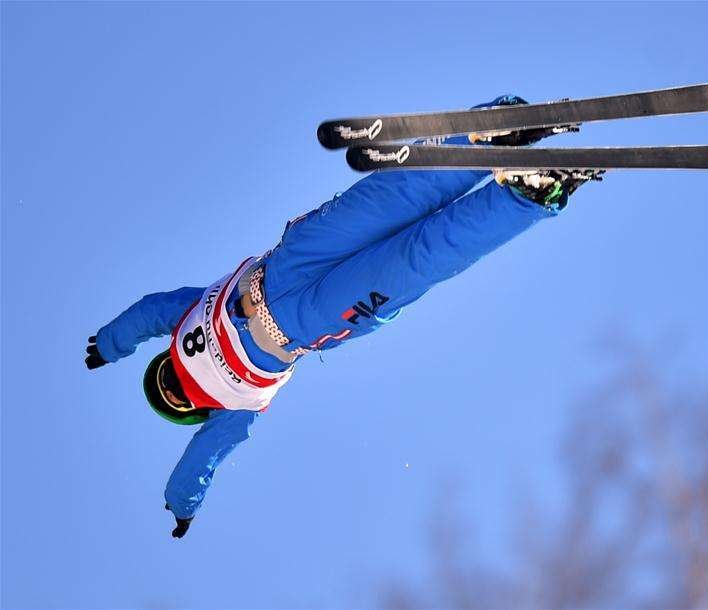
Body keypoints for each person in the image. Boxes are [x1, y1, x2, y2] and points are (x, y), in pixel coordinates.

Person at [85, 95, 602, 538]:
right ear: (188, 411)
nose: (176, 389)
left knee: (398, 214)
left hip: (290, 275)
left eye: (167, 383)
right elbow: (197, 454)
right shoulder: (216, 393)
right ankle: (524, 189)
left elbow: (153, 320)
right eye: (174, 398)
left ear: (167, 367)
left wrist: (111, 346)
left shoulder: (191, 341)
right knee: (411, 252)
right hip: (303, 309)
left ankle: (491, 146)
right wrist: (181, 504)